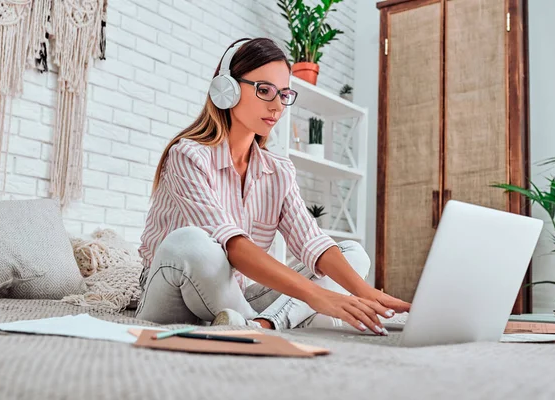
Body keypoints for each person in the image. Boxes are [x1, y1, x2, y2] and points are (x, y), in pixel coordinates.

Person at [135, 37, 410, 335]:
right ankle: (275, 321)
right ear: (226, 89)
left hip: (232, 297)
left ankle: (261, 324)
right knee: (192, 243)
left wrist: (366, 292)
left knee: (353, 254)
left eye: (284, 94)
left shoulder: (278, 171)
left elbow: (311, 242)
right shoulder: (188, 155)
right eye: (264, 90)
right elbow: (234, 247)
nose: (277, 105)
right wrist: (318, 297)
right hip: (173, 287)